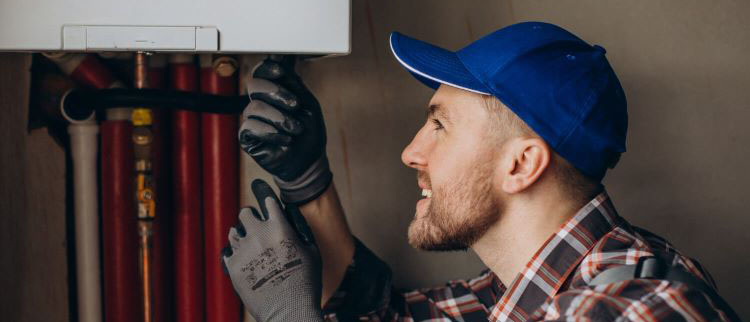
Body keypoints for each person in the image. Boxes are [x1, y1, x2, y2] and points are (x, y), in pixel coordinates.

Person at [221, 22, 737, 321]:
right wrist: (307, 179)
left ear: (521, 164)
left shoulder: (637, 308)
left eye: (440, 126)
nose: (411, 152)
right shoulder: (514, 295)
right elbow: (376, 314)